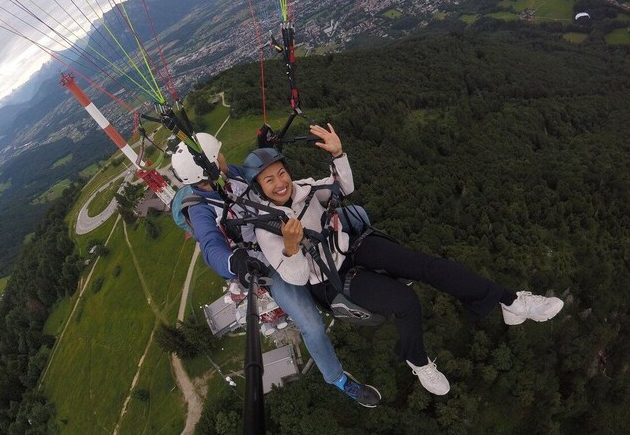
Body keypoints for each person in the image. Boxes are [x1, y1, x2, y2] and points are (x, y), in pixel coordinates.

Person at [242, 124, 564, 396]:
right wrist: (291, 247)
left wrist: (339, 155)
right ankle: (419, 362)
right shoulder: (267, 230)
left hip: (351, 249)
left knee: (429, 266)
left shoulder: (305, 189)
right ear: (259, 188)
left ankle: (510, 302)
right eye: (269, 180)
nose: (280, 183)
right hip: (329, 279)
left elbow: (344, 187)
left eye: (281, 173)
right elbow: (297, 278)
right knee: (407, 302)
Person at [171, 133, 381, 407]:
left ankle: (374, 267)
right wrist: (235, 262)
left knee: (358, 215)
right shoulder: (201, 210)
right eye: (218, 154)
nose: (224, 156)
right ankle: (339, 380)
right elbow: (211, 247)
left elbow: (263, 178)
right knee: (311, 325)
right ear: (209, 166)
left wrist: (265, 145)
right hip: (269, 261)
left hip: (290, 226)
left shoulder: (228, 175)